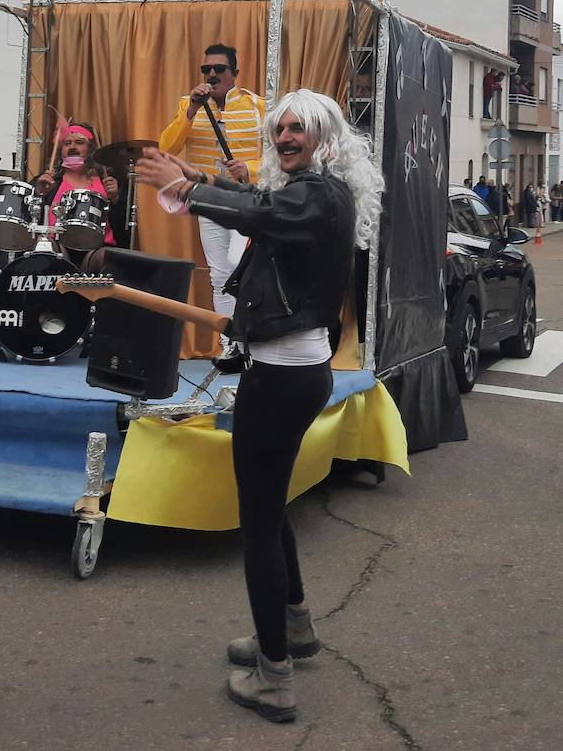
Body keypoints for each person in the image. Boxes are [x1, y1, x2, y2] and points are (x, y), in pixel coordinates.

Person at [136, 89, 384, 724]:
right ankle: (292, 633)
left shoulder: (320, 193)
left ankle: (274, 677)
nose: (285, 137)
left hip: (284, 379)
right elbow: (261, 204)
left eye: (298, 128)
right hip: (288, 372)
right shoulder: (311, 191)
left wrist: (189, 191)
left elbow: (263, 215)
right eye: (280, 129)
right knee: (269, 510)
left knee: (259, 522)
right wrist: (201, 177)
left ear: (326, 136)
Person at [158, 44, 265, 364]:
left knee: (237, 265)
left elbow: (279, 154)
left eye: (220, 69)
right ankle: (231, 344)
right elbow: (167, 147)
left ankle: (254, 340)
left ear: (235, 73)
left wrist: (251, 169)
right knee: (220, 276)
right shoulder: (187, 106)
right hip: (209, 201)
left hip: (246, 200)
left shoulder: (258, 105)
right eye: (207, 70)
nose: (212, 74)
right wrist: (191, 110)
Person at [33, 122, 120, 266]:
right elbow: (29, 220)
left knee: (106, 258)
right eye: (67, 143)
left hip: (98, 248)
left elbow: (125, 227)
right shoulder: (49, 181)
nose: (72, 147)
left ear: (91, 149)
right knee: (46, 249)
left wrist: (116, 199)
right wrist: (39, 194)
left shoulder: (107, 182)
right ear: (61, 150)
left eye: (79, 142)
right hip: (58, 246)